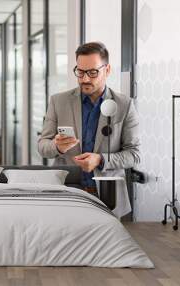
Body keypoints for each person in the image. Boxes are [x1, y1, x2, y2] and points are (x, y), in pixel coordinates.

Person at [37, 41, 140, 217]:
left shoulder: (124, 105)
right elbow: (42, 147)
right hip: (66, 193)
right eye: (80, 72)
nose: (84, 79)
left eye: (92, 72)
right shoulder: (58, 101)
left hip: (109, 197)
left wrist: (101, 159)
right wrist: (57, 147)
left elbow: (134, 155)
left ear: (107, 70)